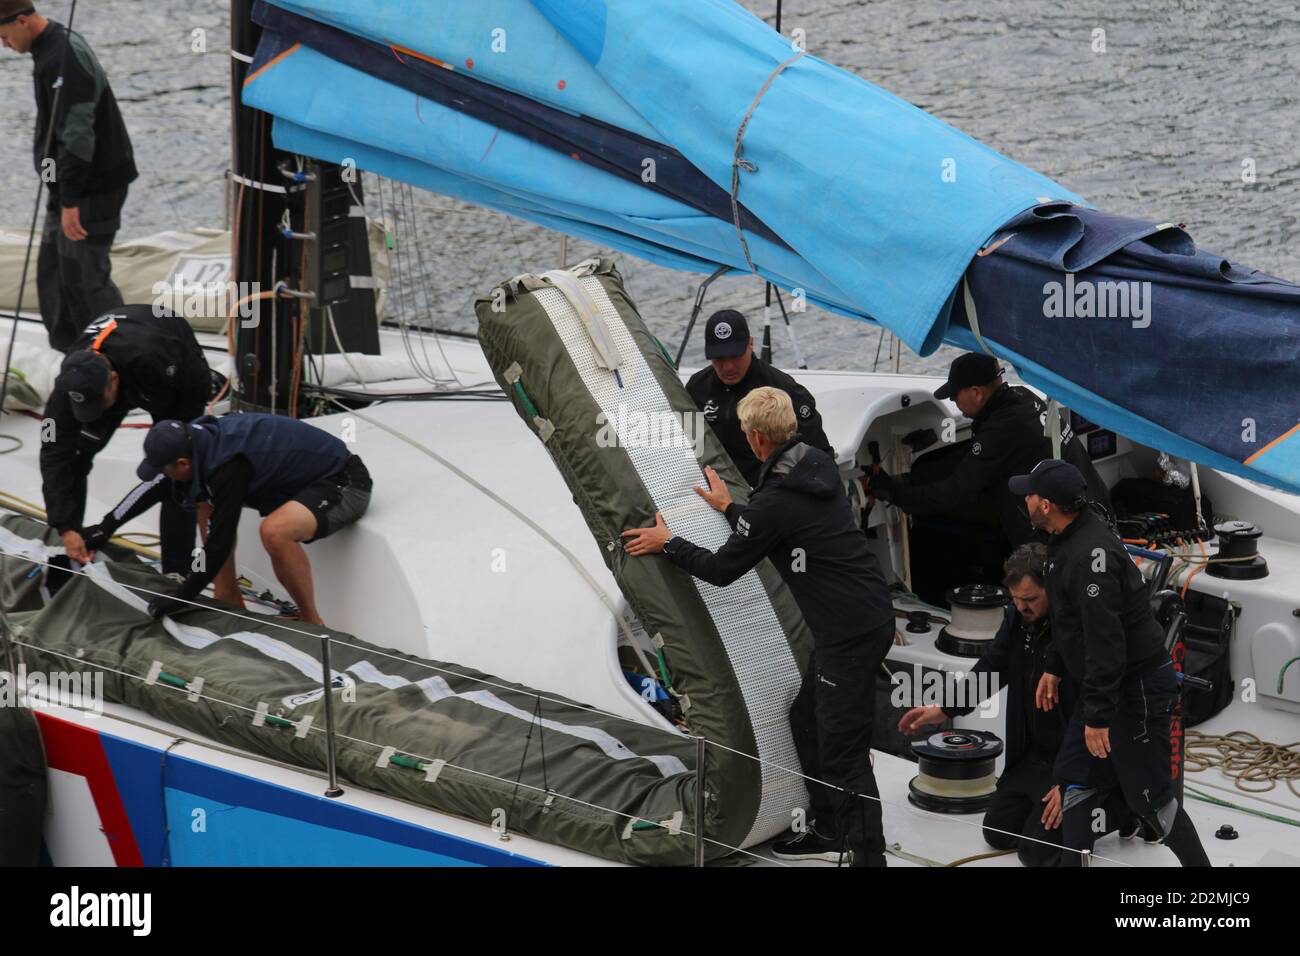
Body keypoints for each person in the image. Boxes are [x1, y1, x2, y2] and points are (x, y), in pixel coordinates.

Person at [623, 387, 894, 866]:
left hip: (846, 635)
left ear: (755, 438)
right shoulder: (812, 464)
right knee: (804, 720)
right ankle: (830, 826)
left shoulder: (776, 498)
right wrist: (730, 508)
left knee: (843, 756)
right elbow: (777, 526)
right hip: (867, 614)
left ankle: (867, 857)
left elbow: (723, 569)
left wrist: (668, 542)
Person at [1013, 459, 1210, 866]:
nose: (1025, 498)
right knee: (1075, 779)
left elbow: (1106, 644)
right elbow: (1071, 624)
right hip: (1103, 688)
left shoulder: (1090, 557)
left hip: (1133, 689)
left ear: (1047, 505)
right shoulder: (1065, 541)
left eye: (1030, 493)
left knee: (1153, 799)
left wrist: (1098, 717)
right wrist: (1053, 665)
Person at [899, 542, 1134, 866]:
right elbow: (992, 668)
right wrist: (943, 709)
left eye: (1030, 599)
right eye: (1015, 599)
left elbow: (1101, 711)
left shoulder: (1082, 631)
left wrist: (1074, 781)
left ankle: (1123, 808)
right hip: (1036, 754)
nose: (1022, 607)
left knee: (1036, 854)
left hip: (1078, 759)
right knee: (998, 831)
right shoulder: (1016, 620)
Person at [86, 414, 372, 627]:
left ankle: (312, 620)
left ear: (183, 464)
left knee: (274, 531)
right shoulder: (194, 442)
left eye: (167, 470)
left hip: (343, 482)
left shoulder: (227, 468)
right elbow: (153, 487)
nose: (165, 476)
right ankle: (227, 597)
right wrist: (104, 528)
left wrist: (182, 597)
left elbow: (220, 542)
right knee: (203, 503)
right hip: (298, 483)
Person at [41, 306, 220, 576]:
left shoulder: (155, 362)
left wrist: (108, 525)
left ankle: (176, 573)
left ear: (113, 380)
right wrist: (64, 527)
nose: (95, 413)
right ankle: (75, 547)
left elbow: (190, 402)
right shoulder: (68, 385)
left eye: (98, 404)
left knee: (177, 470)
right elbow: (53, 452)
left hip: (169, 347)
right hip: (116, 339)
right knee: (75, 456)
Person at [1, 2, 137, 350]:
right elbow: (52, 135)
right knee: (54, 272)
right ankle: (70, 353)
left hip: (91, 189)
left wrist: (71, 200)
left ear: (23, 20)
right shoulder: (46, 52)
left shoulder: (64, 58)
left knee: (85, 279)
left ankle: (118, 356)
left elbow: (78, 136)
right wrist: (56, 189)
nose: (3, 44)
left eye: (3, 36)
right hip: (65, 187)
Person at [869, 352, 1108, 547]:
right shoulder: (1023, 398)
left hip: (1063, 534)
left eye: (954, 395)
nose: (953, 402)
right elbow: (973, 455)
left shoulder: (1001, 429)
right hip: (1096, 512)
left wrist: (897, 493)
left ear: (976, 392)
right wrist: (915, 476)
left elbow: (955, 492)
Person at [686, 309, 833, 487]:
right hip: (717, 490)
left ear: (750, 344)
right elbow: (687, 448)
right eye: (719, 358)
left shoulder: (783, 390)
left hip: (771, 494)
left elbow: (821, 457)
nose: (728, 366)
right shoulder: (697, 388)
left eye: (735, 356)